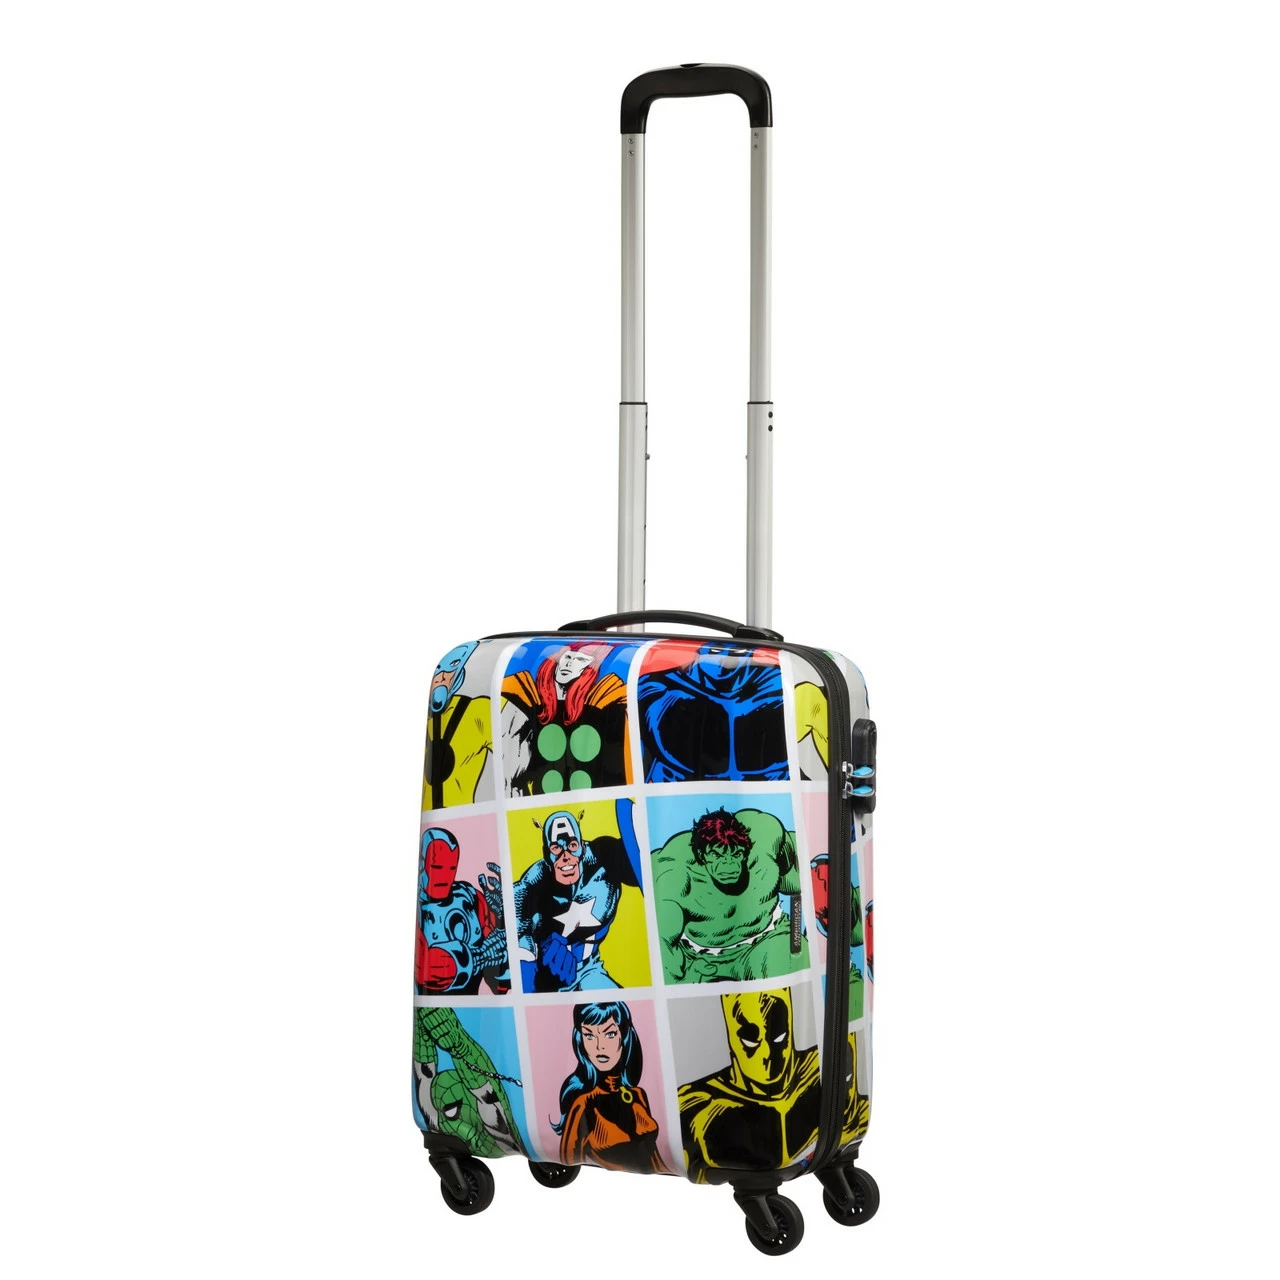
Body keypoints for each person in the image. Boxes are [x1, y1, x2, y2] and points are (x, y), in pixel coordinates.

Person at [678, 988, 820, 1182]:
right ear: (730, 1036)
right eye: (751, 1043)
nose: (768, 1053)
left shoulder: (814, 1069)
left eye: (779, 1038)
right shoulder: (698, 1104)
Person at [652, 807, 806, 984]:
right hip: (700, 957)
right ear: (701, 855)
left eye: (736, 854)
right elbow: (662, 944)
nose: (729, 866)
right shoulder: (674, 871)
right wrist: (684, 975)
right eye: (717, 855)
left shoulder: (767, 838)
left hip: (768, 938)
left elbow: (800, 885)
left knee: (793, 965)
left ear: (745, 851)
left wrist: (796, 937)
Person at [512, 803, 642, 992]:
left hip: (590, 970)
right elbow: (521, 952)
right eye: (556, 848)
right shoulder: (532, 884)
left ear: (581, 846)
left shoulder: (605, 859)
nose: (565, 856)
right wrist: (535, 966)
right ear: (546, 853)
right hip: (545, 981)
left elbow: (648, 861)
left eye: (572, 846)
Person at [638, 642, 787, 782]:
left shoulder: (783, 688)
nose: (723, 659)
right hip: (677, 793)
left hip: (764, 794)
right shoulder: (656, 690)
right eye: (715, 652)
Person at [552, 1001, 671, 1173]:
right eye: (589, 1036)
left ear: (624, 1036)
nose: (599, 1046)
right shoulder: (584, 1103)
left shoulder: (638, 1095)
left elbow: (654, 1158)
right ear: (580, 1041)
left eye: (610, 1034)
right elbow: (567, 1159)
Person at [502, 642, 629, 795]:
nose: (569, 663)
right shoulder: (524, 697)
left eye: (580, 660)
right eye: (568, 657)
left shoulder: (604, 703)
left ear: (590, 668)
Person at [415, 827, 509, 995]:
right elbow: (429, 970)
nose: (445, 876)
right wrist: (484, 955)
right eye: (437, 867)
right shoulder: (416, 910)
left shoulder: (469, 897)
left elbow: (498, 981)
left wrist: (505, 921)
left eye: (451, 868)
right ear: (421, 864)